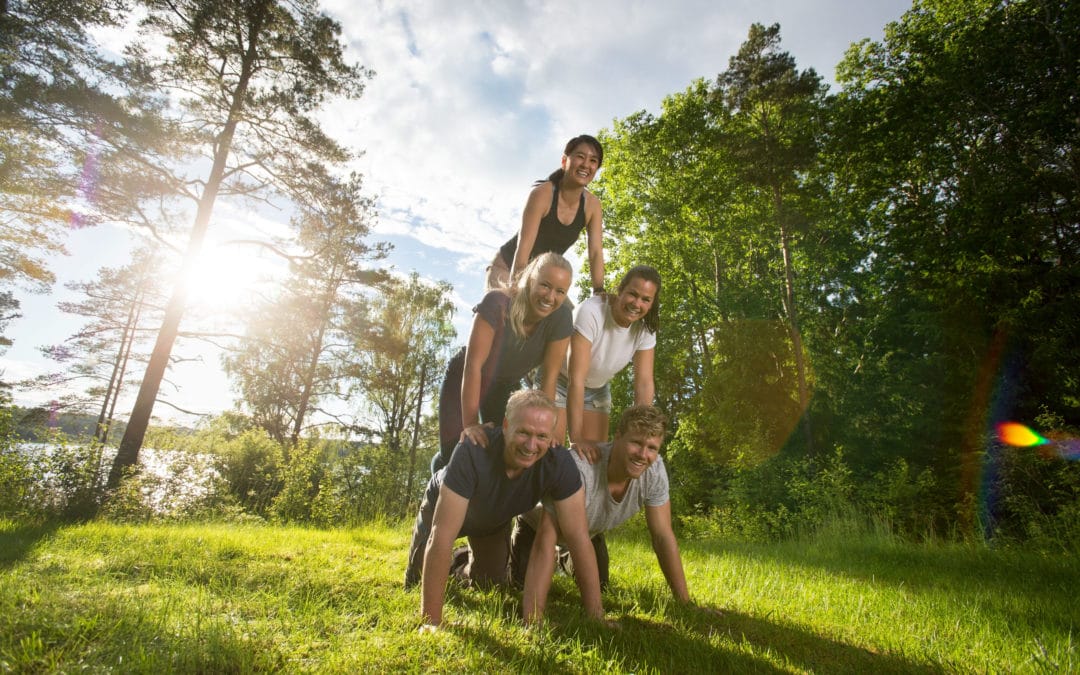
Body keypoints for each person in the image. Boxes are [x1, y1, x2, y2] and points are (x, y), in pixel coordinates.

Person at [405, 389, 605, 631]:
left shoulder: (558, 463)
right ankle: (443, 565)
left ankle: (458, 562)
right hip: (445, 507)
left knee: (488, 584)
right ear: (506, 425)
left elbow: (578, 537)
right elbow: (441, 535)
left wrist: (597, 616)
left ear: (553, 436)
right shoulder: (473, 449)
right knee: (415, 581)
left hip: (493, 520)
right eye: (523, 432)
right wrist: (432, 622)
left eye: (542, 436)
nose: (531, 445)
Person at [515, 405, 698, 624]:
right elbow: (545, 538)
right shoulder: (580, 467)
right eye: (636, 443)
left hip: (587, 534)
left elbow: (662, 536)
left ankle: (563, 559)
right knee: (512, 583)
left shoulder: (655, 471)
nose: (643, 454)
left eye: (652, 447)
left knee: (598, 584)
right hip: (535, 528)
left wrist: (685, 603)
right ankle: (464, 556)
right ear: (617, 436)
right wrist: (533, 619)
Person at [432, 252, 573, 474]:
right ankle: (439, 472)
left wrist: (548, 428)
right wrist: (470, 425)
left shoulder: (562, 318)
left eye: (560, 291)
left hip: (505, 386)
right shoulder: (497, 303)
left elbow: (549, 378)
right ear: (530, 280)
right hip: (466, 377)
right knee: (458, 451)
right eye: (545, 285)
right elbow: (473, 367)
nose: (550, 297)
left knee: (503, 454)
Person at [557, 265, 661, 456]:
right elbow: (576, 379)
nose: (637, 304)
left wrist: (642, 432)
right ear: (620, 290)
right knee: (549, 451)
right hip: (560, 381)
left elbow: (644, 383)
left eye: (646, 299)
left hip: (597, 389)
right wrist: (576, 437)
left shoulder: (645, 330)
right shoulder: (591, 311)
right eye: (633, 294)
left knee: (595, 458)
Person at [485, 135, 606, 294]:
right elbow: (524, 246)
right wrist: (514, 290)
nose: (586, 165)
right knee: (509, 315)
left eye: (593, 161)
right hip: (508, 268)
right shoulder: (542, 194)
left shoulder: (592, 205)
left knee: (564, 316)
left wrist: (599, 291)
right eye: (580, 157)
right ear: (564, 161)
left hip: (541, 278)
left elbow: (596, 252)